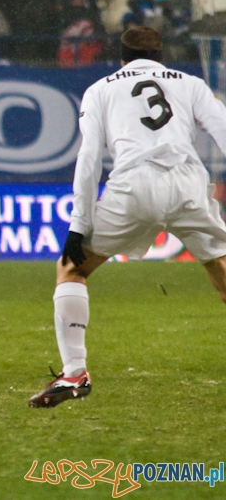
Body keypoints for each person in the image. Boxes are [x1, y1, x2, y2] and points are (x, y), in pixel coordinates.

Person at [30, 26, 226, 408]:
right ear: (161, 57)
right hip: (188, 183)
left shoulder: (102, 88)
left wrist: (78, 223)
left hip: (134, 187)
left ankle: (75, 373)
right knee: (221, 271)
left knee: (72, 270)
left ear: (122, 58)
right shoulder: (190, 83)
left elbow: (88, 159)